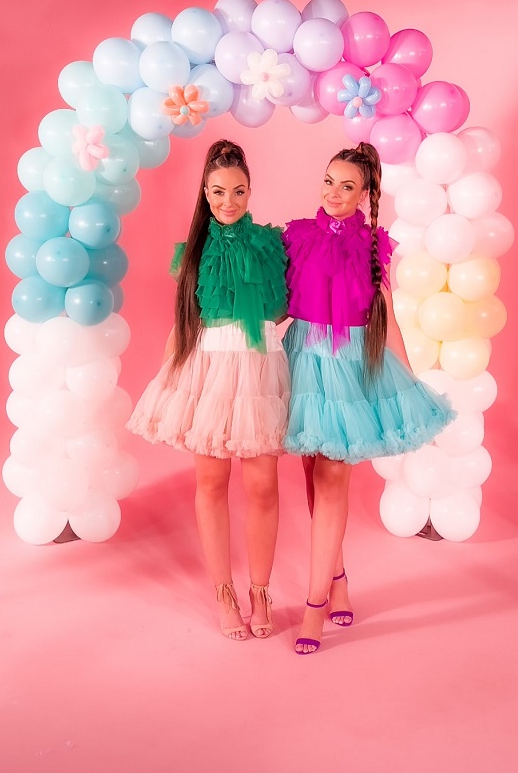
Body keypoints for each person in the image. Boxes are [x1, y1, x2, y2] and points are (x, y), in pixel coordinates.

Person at [281, 142, 454, 654]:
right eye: (328, 181)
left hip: (349, 369)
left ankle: (314, 605)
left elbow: (388, 318)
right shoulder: (297, 235)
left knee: (333, 478)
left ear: (364, 195)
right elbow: (281, 306)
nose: (333, 193)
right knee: (312, 475)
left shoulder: (374, 245)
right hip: (303, 359)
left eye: (347, 186)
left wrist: (410, 384)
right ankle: (337, 579)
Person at [126, 140, 289, 641]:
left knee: (262, 486)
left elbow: (285, 307)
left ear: (250, 191)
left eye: (237, 191)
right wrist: (168, 381)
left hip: (259, 370)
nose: (228, 201)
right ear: (204, 192)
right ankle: (223, 591)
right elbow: (183, 324)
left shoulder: (272, 245)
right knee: (212, 482)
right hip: (210, 371)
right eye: (218, 192)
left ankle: (260, 590)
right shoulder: (193, 254)